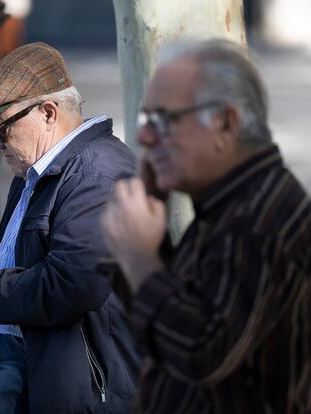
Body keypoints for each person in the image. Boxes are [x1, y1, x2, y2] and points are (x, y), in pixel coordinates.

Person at [0, 42, 140, 414]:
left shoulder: (100, 175)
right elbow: (32, 257)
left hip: (55, 383)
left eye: (1, 129)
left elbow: (67, 285)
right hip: (4, 365)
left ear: (48, 113)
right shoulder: (36, 167)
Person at [101, 39, 311, 413]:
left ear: (226, 123)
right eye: (145, 120)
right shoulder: (228, 203)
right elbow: (165, 333)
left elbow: (202, 352)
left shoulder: (256, 218)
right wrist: (147, 247)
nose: (146, 138)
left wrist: (140, 261)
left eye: (164, 119)